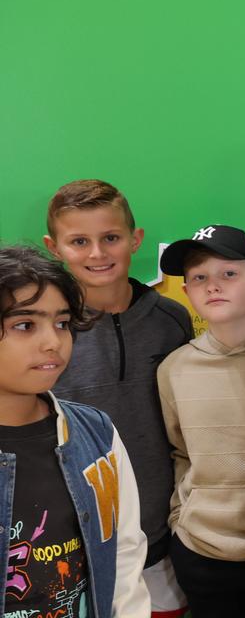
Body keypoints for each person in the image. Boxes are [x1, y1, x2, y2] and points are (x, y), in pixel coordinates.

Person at [43, 179, 193, 616]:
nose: (97, 253)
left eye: (110, 238)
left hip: (162, 534)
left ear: (135, 239)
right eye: (79, 241)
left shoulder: (172, 319)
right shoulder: (46, 330)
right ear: (54, 247)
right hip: (70, 538)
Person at [0, 245, 150, 617]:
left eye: (62, 323)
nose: (53, 342)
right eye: (25, 325)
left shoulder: (95, 433)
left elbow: (124, 554)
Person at [155, 224, 245, 617]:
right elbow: (180, 452)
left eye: (229, 273)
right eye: (199, 277)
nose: (213, 286)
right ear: (186, 292)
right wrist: (182, 520)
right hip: (202, 553)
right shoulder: (173, 369)